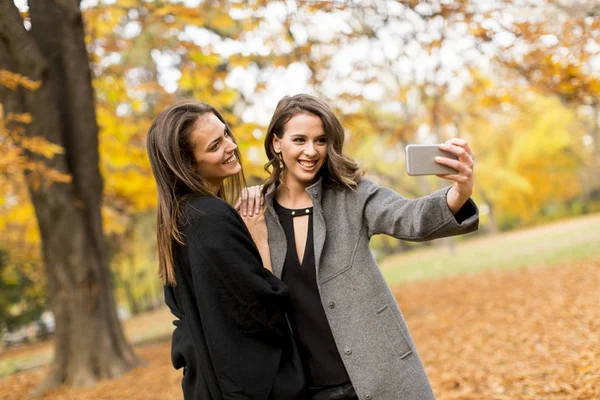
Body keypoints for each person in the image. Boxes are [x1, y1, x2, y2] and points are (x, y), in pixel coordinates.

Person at [238, 94, 479, 400]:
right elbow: (255, 299)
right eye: (299, 140)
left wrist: (459, 193)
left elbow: (410, 218)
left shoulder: (352, 195)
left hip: (379, 377)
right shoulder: (256, 213)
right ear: (276, 143)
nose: (311, 151)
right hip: (303, 389)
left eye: (321, 140)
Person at [146, 101, 305, 400]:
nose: (232, 146)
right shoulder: (210, 218)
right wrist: (258, 239)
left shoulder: (180, 220)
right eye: (215, 145)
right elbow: (261, 309)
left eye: (226, 134)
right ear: (188, 163)